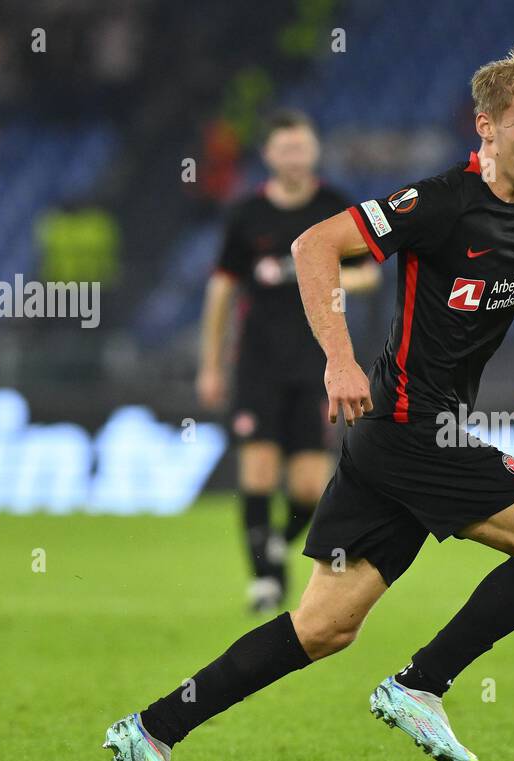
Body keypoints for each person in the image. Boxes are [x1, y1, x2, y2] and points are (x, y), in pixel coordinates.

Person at [105, 44, 514, 761]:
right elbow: (313, 244)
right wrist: (339, 359)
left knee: (323, 627)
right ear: (486, 128)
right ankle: (422, 684)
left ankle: (151, 729)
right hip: (412, 427)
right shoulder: (442, 203)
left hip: (399, 439)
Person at [196, 109, 380, 612]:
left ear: (314, 151)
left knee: (306, 484)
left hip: (317, 362)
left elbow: (368, 274)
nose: (294, 157)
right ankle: (264, 580)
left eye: (302, 147)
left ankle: (277, 542)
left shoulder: (333, 206)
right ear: (269, 156)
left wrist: (317, 277)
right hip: (256, 362)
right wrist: (210, 364)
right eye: (285, 149)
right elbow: (221, 289)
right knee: (256, 470)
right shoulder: (246, 214)